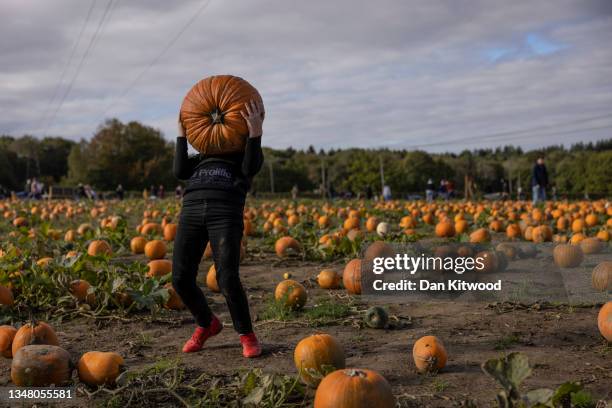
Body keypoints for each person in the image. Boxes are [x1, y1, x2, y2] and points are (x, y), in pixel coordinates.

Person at [172, 99, 264, 358]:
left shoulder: (241, 154)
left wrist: (255, 133)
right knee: (180, 278)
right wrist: (182, 134)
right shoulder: (200, 157)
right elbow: (179, 170)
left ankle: (247, 335)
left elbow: (251, 167)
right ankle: (207, 323)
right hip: (190, 211)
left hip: (225, 212)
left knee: (227, 278)